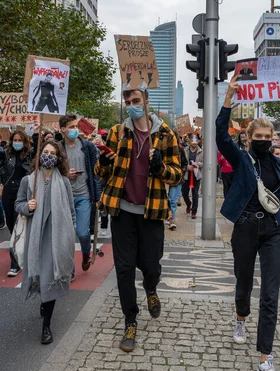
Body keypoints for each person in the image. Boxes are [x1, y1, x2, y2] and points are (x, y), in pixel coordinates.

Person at [216, 77, 280, 371]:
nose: (264, 139)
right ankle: (240, 318)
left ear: (273, 138)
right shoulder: (242, 159)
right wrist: (229, 97)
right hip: (245, 227)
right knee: (244, 282)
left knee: (271, 294)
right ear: (248, 138)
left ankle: (265, 359)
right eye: (258, 136)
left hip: (273, 230)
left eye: (267, 135)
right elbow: (220, 136)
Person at [95, 87, 182, 353]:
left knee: (151, 265)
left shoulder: (166, 135)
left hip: (152, 211)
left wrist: (161, 168)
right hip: (122, 212)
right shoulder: (116, 133)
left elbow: (177, 175)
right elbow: (101, 173)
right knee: (123, 270)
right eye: (128, 101)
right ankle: (130, 320)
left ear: (146, 102)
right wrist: (103, 161)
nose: (132, 105)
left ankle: (151, 289)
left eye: (136, 101)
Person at [15, 141, 74, 344]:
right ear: (39, 156)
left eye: (52, 153)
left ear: (58, 158)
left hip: (56, 237)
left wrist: (69, 236)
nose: (48, 155)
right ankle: (43, 297)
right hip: (35, 236)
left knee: (51, 276)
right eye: (45, 152)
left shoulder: (64, 182)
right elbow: (18, 204)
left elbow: (71, 211)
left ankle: (46, 326)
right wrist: (27, 206)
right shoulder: (28, 181)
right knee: (40, 275)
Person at [59, 114, 101, 273]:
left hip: (84, 195)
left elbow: (95, 173)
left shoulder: (88, 146)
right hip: (64, 197)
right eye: (71, 127)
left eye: (76, 127)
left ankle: (85, 254)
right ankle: (70, 269)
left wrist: (97, 197)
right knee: (67, 236)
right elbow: (52, 170)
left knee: (83, 233)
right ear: (63, 129)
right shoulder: (58, 148)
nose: (75, 130)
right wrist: (65, 174)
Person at [0, 129, 32, 277]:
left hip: (23, 193)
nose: (17, 143)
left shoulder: (30, 154)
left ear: (24, 141)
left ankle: (15, 263)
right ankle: (20, 251)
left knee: (18, 226)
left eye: (19, 140)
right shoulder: (7, 154)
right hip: (8, 192)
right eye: (14, 140)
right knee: (11, 225)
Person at [167, 139, 187, 230]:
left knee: (173, 201)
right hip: (164, 178)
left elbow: (184, 163)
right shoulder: (162, 149)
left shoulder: (180, 150)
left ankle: (171, 219)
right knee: (166, 200)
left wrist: (179, 174)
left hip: (176, 179)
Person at [182, 135, 203, 220]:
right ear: (189, 141)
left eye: (196, 140)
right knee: (184, 192)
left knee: (195, 194)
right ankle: (188, 204)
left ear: (198, 141)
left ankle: (194, 211)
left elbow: (204, 163)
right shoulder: (185, 150)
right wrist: (187, 166)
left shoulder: (201, 151)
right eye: (192, 140)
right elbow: (181, 161)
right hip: (186, 175)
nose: (194, 142)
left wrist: (197, 164)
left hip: (196, 175)